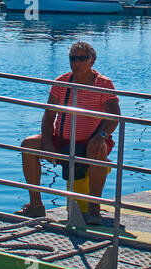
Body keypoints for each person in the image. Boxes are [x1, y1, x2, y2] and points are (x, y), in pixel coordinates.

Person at [16, 40, 120, 224]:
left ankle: (94, 209)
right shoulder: (61, 82)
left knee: (99, 149)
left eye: (82, 58)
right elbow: (48, 117)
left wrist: (101, 137)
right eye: (73, 58)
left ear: (92, 60)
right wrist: (48, 143)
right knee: (28, 144)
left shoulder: (103, 84)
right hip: (61, 140)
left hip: (90, 142)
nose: (77, 63)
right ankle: (36, 205)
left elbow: (114, 115)